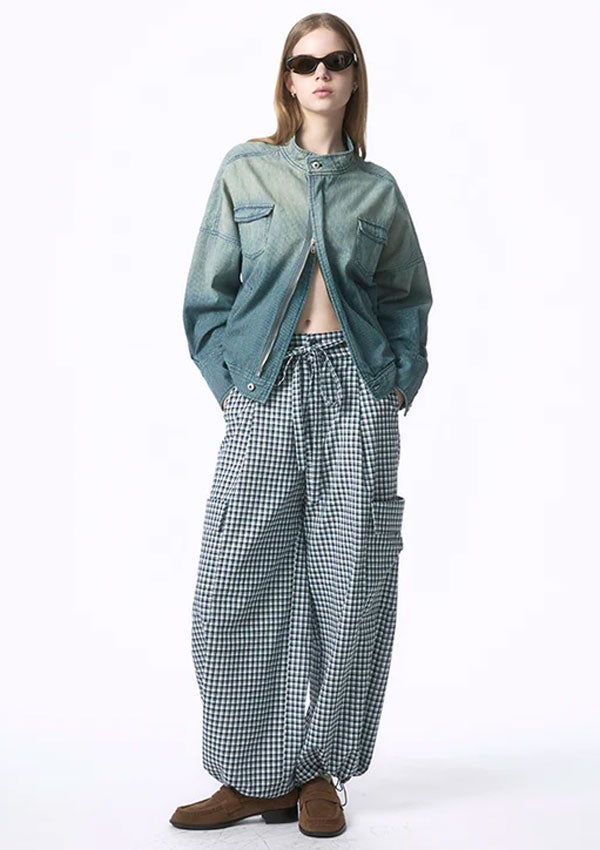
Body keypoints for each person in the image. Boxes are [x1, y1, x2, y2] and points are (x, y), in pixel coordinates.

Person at [170, 11, 433, 838]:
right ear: (287, 78)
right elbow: (207, 296)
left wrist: (396, 384)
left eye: (337, 61)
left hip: (357, 392)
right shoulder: (245, 170)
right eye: (306, 61)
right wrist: (231, 391)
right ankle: (253, 775)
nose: (322, 73)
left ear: (354, 78)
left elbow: (406, 298)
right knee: (232, 585)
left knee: (351, 582)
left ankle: (321, 772)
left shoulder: (377, 190)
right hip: (267, 390)